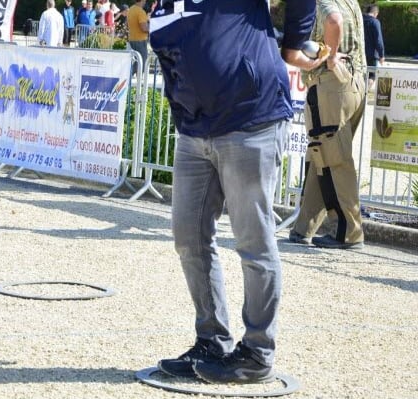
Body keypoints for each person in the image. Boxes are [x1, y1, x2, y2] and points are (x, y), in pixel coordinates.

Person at [150, 0, 321, 384]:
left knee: (253, 242)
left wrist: (294, 43)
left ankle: (258, 352)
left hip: (249, 118)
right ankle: (212, 340)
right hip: (195, 131)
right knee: (188, 238)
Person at [289, 0, 366, 250]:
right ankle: (303, 228)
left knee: (333, 160)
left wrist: (331, 57)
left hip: (330, 85)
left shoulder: (323, 2)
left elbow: (334, 21)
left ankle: (348, 232)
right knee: (323, 156)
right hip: (353, 83)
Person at [362, 4, 384, 84]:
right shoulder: (375, 22)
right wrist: (381, 55)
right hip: (372, 55)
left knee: (361, 75)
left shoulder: (360, 20)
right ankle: (364, 93)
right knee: (372, 76)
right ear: (376, 13)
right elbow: (378, 40)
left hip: (360, 52)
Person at [125, 0, 147, 71]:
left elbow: (126, 24)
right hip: (140, 40)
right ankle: (138, 81)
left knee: (135, 62)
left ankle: (129, 79)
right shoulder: (141, 12)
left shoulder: (130, 9)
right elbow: (144, 28)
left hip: (132, 39)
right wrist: (153, 28)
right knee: (142, 63)